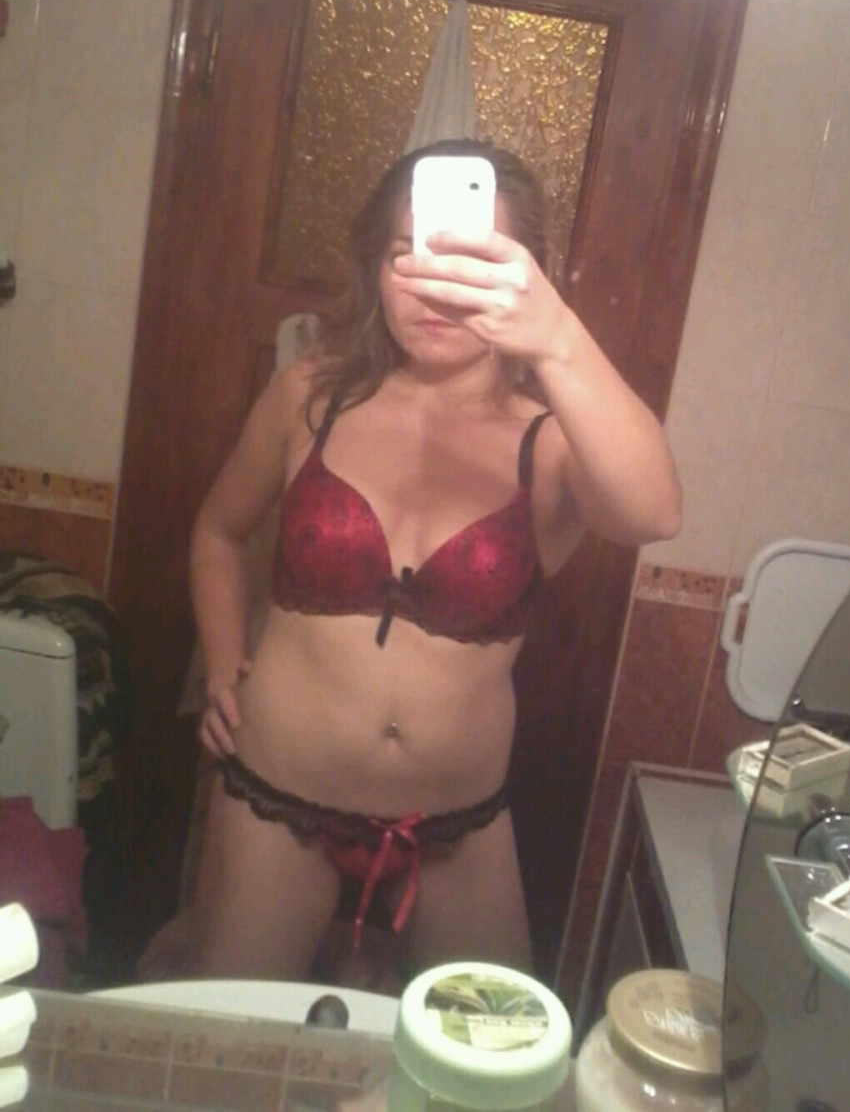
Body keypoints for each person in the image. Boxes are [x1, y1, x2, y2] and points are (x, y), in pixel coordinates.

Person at [182, 139, 681, 981]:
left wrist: (558, 336)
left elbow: (653, 513)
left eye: (471, 261)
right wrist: (226, 664)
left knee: (482, 1053)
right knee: (235, 1041)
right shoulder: (310, 393)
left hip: (458, 827)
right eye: (406, 255)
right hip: (276, 798)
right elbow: (217, 532)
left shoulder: (552, 440)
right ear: (376, 270)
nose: (435, 286)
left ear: (523, 275)